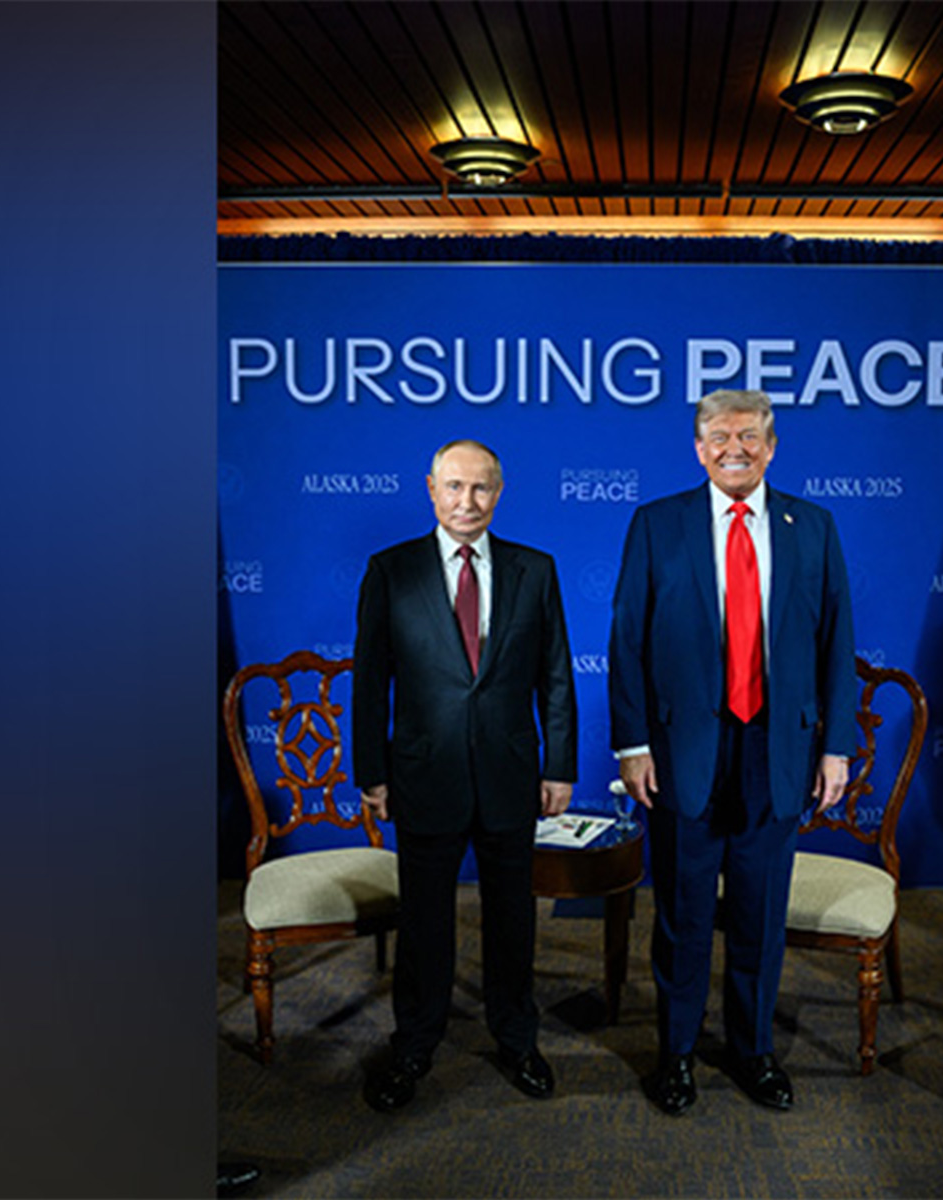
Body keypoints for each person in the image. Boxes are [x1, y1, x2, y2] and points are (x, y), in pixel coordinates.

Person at [608, 389, 855, 1116]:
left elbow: (837, 644)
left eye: (748, 436)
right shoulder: (657, 524)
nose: (733, 448)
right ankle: (677, 1055)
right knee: (683, 916)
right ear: (697, 447)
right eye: (718, 437)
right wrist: (633, 746)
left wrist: (835, 749)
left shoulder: (812, 526)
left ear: (772, 446)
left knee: (759, 913)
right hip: (682, 755)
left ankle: (753, 1052)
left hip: (778, 753)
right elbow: (627, 643)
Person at [353, 438, 577, 1112]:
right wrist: (373, 771)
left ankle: (517, 1038)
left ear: (499, 493)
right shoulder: (390, 571)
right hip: (422, 776)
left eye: (480, 488)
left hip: (512, 776)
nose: (467, 501)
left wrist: (559, 765)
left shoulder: (535, 570)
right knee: (425, 924)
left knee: (513, 920)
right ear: (430, 490)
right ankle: (415, 1045)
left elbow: (557, 678)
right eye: (454, 487)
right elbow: (369, 683)